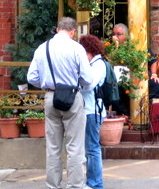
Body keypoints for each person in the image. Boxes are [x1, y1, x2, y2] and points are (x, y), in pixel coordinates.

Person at [27, 17, 94, 189]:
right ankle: (75, 185)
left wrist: (47, 84)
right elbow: (87, 79)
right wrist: (76, 82)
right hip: (72, 97)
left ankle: (53, 186)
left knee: (53, 147)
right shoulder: (77, 48)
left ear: (58, 29)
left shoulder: (42, 48)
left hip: (51, 96)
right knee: (75, 147)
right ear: (73, 32)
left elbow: (31, 77)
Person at [111, 23, 159, 107]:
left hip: (140, 74)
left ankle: (146, 107)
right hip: (122, 76)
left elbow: (153, 60)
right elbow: (112, 62)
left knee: (157, 87)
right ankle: (126, 112)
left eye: (118, 34)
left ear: (126, 35)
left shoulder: (138, 45)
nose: (115, 37)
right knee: (119, 90)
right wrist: (116, 46)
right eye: (114, 34)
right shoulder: (112, 48)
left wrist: (154, 74)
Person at [79, 34, 106, 189]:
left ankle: (95, 183)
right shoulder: (92, 64)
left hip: (92, 110)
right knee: (89, 148)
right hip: (89, 110)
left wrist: (77, 84)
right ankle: (93, 182)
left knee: (92, 148)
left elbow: (89, 85)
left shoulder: (98, 65)